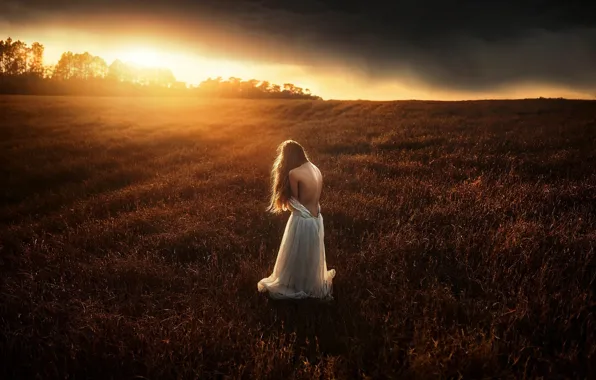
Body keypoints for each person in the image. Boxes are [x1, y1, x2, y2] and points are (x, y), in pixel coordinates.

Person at [257, 140, 336, 299]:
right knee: (310, 254)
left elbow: (295, 202)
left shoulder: (294, 173)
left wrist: (282, 200)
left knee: (296, 252)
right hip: (316, 218)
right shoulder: (316, 168)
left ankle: (296, 284)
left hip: (302, 220)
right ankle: (309, 281)